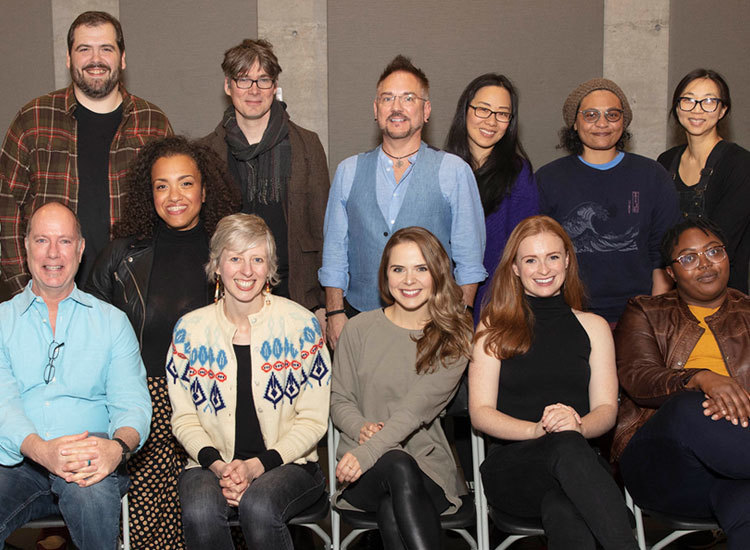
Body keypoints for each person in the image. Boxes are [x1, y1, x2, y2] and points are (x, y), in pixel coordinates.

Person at [86, 136, 240, 549]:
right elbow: (88, 337)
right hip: (145, 405)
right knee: (150, 528)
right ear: (148, 193)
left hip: (215, 402)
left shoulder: (233, 256)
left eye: (186, 183)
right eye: (162, 185)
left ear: (204, 190)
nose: (174, 196)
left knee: (214, 517)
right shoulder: (120, 257)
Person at [470, 215, 638, 550]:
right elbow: (481, 413)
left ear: (567, 261)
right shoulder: (493, 327)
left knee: (565, 509)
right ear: (515, 268)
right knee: (564, 444)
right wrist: (538, 430)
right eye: (530, 260)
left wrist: (578, 425)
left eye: (552, 257)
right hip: (515, 468)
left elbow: (607, 410)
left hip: (580, 467)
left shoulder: (594, 327)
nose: (543, 269)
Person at [167, 213, 330, 549]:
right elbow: (184, 419)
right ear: (217, 265)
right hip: (209, 464)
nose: (246, 271)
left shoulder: (301, 326)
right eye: (235, 259)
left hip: (289, 465)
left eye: (257, 259)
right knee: (200, 509)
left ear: (270, 267)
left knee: (258, 505)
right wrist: (219, 466)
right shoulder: (189, 332)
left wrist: (256, 467)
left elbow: (313, 421)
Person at [0, 202, 151, 550]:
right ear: (26, 247)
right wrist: (42, 450)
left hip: (90, 456)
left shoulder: (112, 322)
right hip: (17, 462)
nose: (53, 253)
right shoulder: (3, 321)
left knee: (91, 497)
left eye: (64, 241)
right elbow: (3, 405)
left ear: (80, 249)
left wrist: (116, 448)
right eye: (42, 240)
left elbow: (133, 405)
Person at [319, 54, 486, 348]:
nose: (396, 107)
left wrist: (459, 319)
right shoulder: (348, 171)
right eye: (387, 99)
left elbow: (469, 259)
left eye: (408, 98)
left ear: (426, 110)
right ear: (376, 109)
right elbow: (334, 253)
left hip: (433, 324)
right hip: (360, 320)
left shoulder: (454, 171)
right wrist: (334, 313)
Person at [0, 11, 173, 294]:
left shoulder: (153, 123)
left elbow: (173, 211)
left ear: (122, 58)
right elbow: (6, 210)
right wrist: (25, 292)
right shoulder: (33, 119)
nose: (96, 59)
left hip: (132, 293)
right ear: (69, 59)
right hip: (50, 293)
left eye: (106, 49)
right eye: (84, 49)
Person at [331, 226, 472, 549]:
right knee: (395, 463)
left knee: (392, 498)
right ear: (385, 275)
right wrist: (361, 427)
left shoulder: (454, 337)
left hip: (425, 467)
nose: (409, 280)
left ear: (437, 273)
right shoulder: (357, 329)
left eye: (421, 268)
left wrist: (371, 449)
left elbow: (414, 411)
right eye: (398, 269)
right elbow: (340, 400)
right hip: (361, 471)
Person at [613, 217, 750, 549]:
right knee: (689, 406)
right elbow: (638, 377)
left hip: (734, 470)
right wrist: (700, 378)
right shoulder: (646, 310)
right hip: (665, 466)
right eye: (689, 257)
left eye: (713, 251)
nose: (705, 263)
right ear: (671, 273)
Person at [201, 38, 329, 326]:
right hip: (227, 296)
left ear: (275, 86)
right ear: (228, 86)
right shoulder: (207, 151)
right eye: (244, 79)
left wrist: (323, 304)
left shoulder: (307, 145)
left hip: (297, 294)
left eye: (263, 80)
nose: (254, 90)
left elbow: (323, 228)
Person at [537, 78, 680, 324]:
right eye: (591, 115)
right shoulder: (548, 178)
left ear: (623, 121)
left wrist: (653, 315)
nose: (602, 123)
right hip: (568, 314)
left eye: (612, 115)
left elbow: (663, 253)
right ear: (574, 122)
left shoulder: (652, 175)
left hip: (638, 315)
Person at [445, 73, 538, 324]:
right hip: (441, 300)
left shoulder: (519, 173)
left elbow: (524, 244)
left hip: (497, 302)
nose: (492, 121)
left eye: (502, 114)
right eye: (483, 109)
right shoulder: (442, 168)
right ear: (465, 110)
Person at [657, 69, 750, 294]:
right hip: (674, 291)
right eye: (688, 100)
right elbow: (657, 232)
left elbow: (722, 242)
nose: (697, 109)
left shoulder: (739, 163)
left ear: (722, 110)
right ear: (677, 107)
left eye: (708, 101)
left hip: (724, 295)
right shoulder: (665, 161)